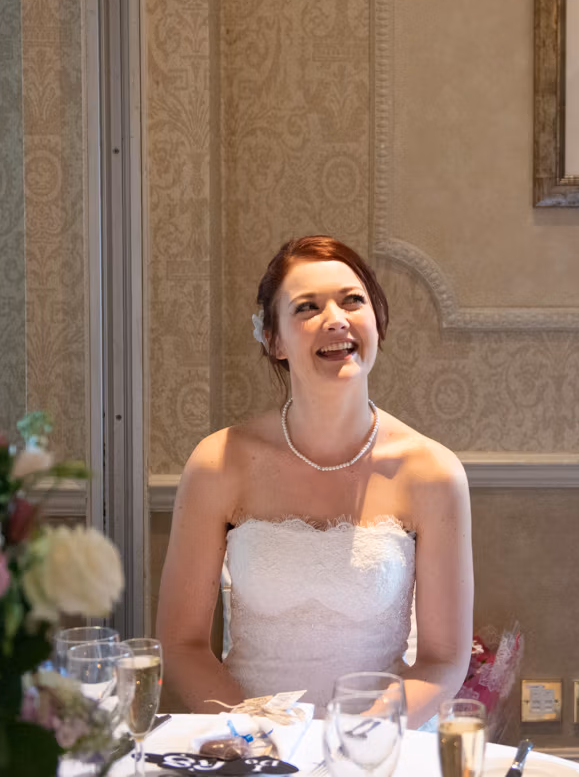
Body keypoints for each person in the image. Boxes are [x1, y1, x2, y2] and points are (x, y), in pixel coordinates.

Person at [155, 235, 473, 727]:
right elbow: (182, 643)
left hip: (382, 743)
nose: (336, 319)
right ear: (274, 340)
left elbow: (443, 659)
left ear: (377, 321)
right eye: (307, 307)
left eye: (353, 301)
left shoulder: (432, 471)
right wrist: (255, 731)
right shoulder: (219, 462)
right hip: (252, 741)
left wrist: (361, 737)